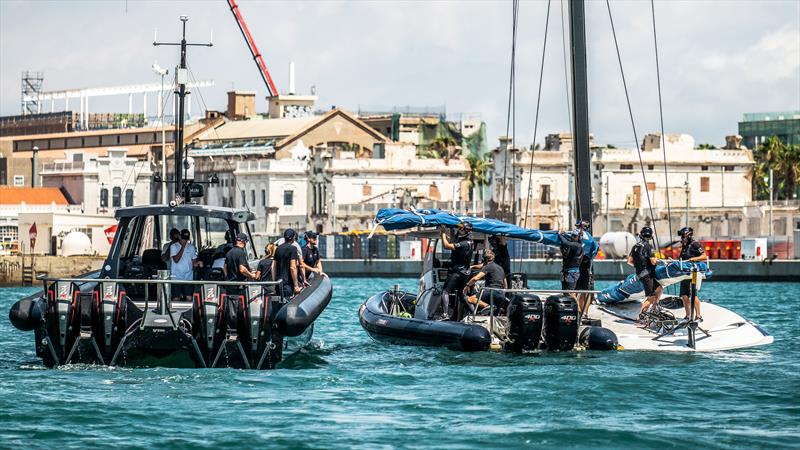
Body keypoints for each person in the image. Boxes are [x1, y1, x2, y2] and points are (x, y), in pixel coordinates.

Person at [438, 222, 474, 321]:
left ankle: (445, 314)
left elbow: (446, 245)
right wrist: (451, 230)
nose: (459, 229)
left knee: (445, 291)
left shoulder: (463, 244)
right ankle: (474, 313)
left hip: (457, 272)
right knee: (462, 295)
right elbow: (454, 241)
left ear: (466, 230)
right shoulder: (470, 241)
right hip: (466, 272)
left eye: (461, 228)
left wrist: (443, 233)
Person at [628, 226, 663, 323]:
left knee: (659, 288)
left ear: (641, 235)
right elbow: (653, 261)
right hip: (647, 275)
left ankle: (654, 309)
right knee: (651, 297)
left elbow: (629, 261)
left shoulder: (635, 246)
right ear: (651, 236)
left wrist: (639, 265)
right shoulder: (648, 246)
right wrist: (657, 260)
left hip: (640, 274)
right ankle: (641, 318)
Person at [677, 226, 706, 322]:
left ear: (688, 235)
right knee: (684, 295)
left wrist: (694, 259)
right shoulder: (684, 246)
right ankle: (688, 316)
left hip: (692, 273)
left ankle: (698, 316)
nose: (681, 238)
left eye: (683, 236)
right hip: (684, 274)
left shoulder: (695, 244)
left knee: (693, 294)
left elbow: (704, 256)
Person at [170, 229, 202, 301]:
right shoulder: (173, 246)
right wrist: (183, 247)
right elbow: (176, 260)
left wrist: (198, 263)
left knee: (189, 297)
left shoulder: (191, 247)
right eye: (183, 239)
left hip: (188, 277)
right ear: (179, 237)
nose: (185, 241)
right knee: (176, 298)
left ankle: (189, 312)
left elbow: (194, 262)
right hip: (176, 277)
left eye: (186, 239)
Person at [574, 219, 597, 317]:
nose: (576, 228)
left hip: (575, 266)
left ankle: (579, 310)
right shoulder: (591, 239)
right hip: (586, 266)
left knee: (572, 291)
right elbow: (594, 252)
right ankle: (585, 313)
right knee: (585, 291)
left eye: (578, 226)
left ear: (581, 227)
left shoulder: (575, 235)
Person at [272, 228, 301, 298]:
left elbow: (273, 266)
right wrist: (296, 285)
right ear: (293, 237)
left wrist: (274, 282)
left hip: (278, 283)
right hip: (288, 284)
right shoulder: (293, 248)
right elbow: (293, 267)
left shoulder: (278, 248)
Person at [558, 229, 584, 296]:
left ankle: (575, 305)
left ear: (579, 238)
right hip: (565, 272)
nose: (573, 237)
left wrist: (559, 234)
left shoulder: (578, 246)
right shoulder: (571, 246)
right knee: (565, 293)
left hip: (572, 273)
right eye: (572, 235)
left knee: (570, 293)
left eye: (575, 236)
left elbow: (565, 243)